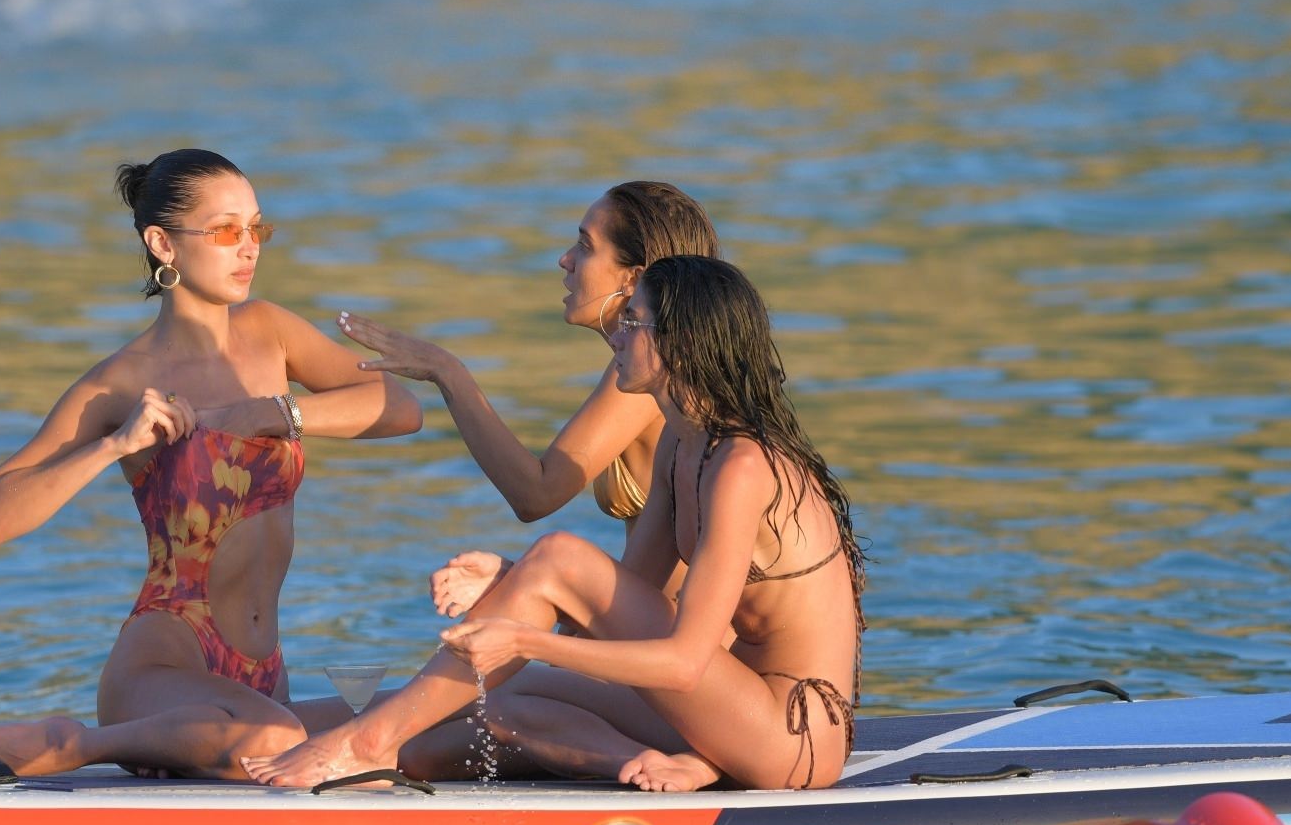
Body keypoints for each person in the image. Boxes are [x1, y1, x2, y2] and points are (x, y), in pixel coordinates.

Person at [245, 256, 865, 793]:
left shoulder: (743, 464)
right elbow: (615, 607)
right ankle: (661, 765)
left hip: (792, 736)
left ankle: (366, 741)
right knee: (495, 710)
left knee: (559, 562)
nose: (616, 337)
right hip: (728, 711)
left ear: (680, 341)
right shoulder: (684, 442)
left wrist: (524, 639)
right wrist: (520, 583)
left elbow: (683, 663)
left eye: (633, 322)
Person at [0, 149, 422, 780]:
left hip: (262, 673)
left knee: (418, 716)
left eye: (257, 229)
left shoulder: (270, 331)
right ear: (163, 244)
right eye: (225, 232)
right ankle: (72, 743)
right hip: (166, 661)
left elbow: (399, 407)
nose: (249, 248)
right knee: (276, 739)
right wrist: (113, 445)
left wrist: (276, 412)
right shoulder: (121, 382)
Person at [337, 181, 719, 532]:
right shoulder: (640, 368)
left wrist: (446, 371)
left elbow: (536, 495)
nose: (565, 260)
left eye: (585, 246)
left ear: (632, 279)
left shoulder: (653, 376)